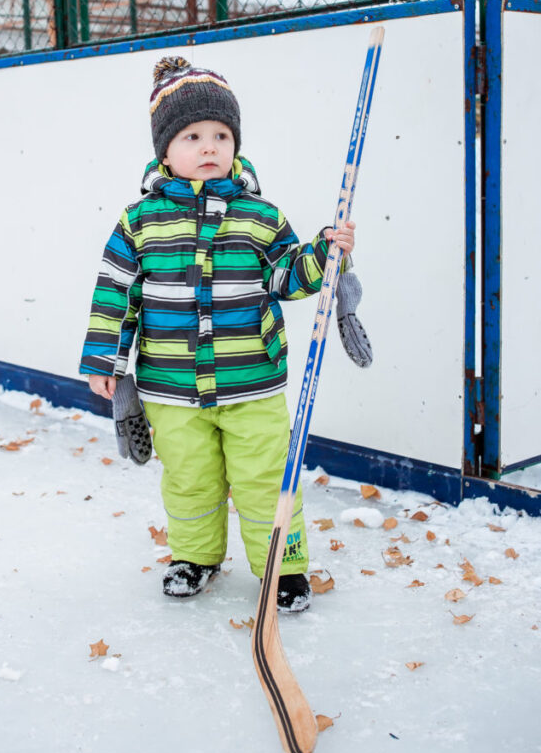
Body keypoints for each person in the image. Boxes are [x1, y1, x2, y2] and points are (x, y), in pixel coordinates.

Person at [80, 55, 355, 613]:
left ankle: (282, 567)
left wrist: (325, 253)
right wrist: (105, 361)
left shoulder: (260, 216)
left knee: (264, 480)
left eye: (221, 134)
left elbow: (287, 275)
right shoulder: (140, 222)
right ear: (165, 151)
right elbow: (117, 293)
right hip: (171, 389)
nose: (209, 146)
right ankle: (195, 556)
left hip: (251, 382)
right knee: (189, 481)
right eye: (192, 135)